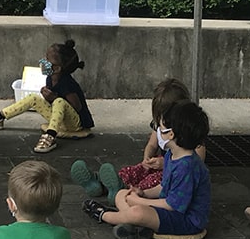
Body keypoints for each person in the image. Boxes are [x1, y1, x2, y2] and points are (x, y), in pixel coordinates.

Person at [82, 100, 211, 239]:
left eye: (160, 127)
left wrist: (140, 201)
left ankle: (105, 215)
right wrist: (143, 193)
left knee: (138, 212)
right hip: (170, 211)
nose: (158, 131)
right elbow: (163, 186)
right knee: (122, 194)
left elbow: (172, 205)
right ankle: (131, 222)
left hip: (186, 221)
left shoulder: (187, 167)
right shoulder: (171, 154)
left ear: (171, 134)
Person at [70, 78, 206, 199]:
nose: (161, 123)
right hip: (157, 166)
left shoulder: (192, 134)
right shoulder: (162, 127)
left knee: (151, 181)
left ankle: (123, 191)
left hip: (174, 175)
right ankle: (99, 183)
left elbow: (195, 163)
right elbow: (152, 145)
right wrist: (147, 159)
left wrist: (165, 164)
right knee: (134, 171)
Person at [0, 39, 94, 153]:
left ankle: (50, 136)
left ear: (56, 68)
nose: (42, 62)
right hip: (60, 120)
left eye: (47, 60)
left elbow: (77, 107)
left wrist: (54, 99)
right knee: (33, 98)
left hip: (75, 125)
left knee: (59, 102)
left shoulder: (67, 83)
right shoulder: (50, 79)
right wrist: (48, 97)